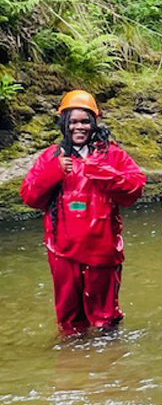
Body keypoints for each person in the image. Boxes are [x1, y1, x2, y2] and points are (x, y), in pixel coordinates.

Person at [20, 90, 145, 334]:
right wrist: (54, 172)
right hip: (62, 251)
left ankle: (109, 361)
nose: (80, 127)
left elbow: (135, 188)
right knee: (69, 320)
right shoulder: (51, 157)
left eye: (85, 121)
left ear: (94, 123)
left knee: (106, 318)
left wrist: (102, 171)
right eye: (73, 122)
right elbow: (30, 197)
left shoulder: (111, 154)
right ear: (64, 124)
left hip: (103, 249)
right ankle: (73, 363)